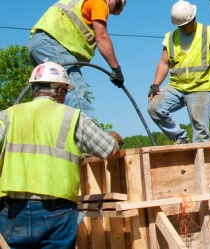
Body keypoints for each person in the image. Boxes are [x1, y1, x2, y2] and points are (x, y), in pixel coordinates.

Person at [0, 62, 120, 248]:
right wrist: (114, 140)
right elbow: (108, 149)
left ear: (34, 89)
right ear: (59, 92)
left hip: (13, 211)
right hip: (56, 211)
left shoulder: (7, 116)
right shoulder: (71, 117)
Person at [27, 0, 128, 119]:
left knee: (51, 96)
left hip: (38, 45)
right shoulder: (99, 2)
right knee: (74, 90)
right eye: (114, 7)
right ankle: (88, 135)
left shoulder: (80, 0)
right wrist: (116, 69)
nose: (110, 12)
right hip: (54, 45)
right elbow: (102, 38)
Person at [147, 0, 210, 144]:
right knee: (154, 107)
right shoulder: (171, 37)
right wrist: (155, 84)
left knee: (201, 129)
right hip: (176, 86)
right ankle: (180, 138)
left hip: (200, 87)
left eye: (186, 25)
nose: (184, 28)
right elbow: (164, 62)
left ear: (194, 18)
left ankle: (201, 162)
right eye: (181, 26)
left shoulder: (208, 32)